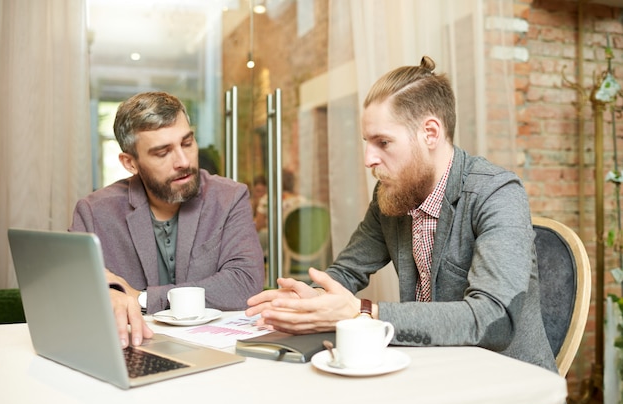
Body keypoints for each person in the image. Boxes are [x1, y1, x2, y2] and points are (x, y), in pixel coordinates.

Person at [246, 57, 560, 377]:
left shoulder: (498, 193)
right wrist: (310, 303)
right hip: (435, 374)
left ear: (430, 133)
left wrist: (363, 312)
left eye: (383, 142)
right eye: (367, 143)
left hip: (509, 385)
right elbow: (346, 271)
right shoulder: (393, 196)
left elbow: (494, 319)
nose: (369, 159)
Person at [70, 92, 264, 348]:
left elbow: (244, 284)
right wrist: (100, 294)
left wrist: (142, 299)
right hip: (132, 348)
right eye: (162, 152)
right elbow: (72, 290)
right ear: (130, 163)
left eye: (187, 143)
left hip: (213, 352)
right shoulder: (94, 212)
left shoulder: (229, 197)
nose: (183, 162)